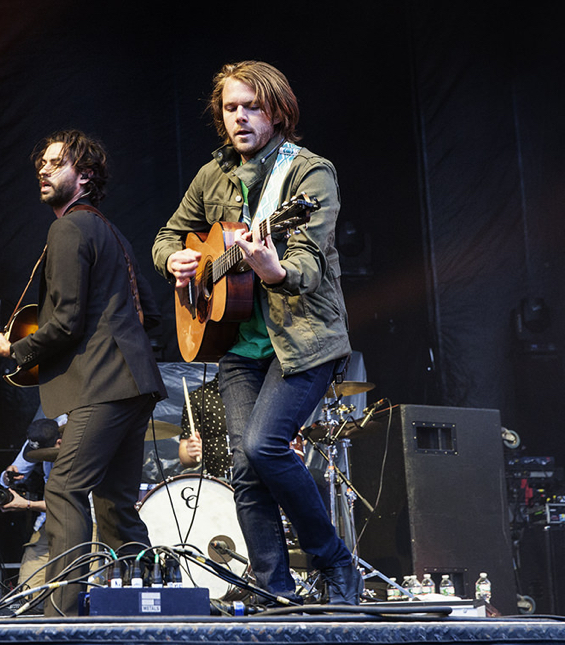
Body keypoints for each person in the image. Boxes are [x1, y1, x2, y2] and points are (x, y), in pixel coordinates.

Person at [152, 61, 361, 605]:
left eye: (252, 107)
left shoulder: (309, 174)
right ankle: (273, 589)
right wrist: (175, 259)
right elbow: (168, 235)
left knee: (265, 447)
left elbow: (310, 264)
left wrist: (275, 271)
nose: (240, 117)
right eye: (230, 108)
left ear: (277, 111)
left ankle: (336, 560)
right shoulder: (211, 174)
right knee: (244, 466)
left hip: (303, 342)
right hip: (237, 345)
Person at [0, 130, 167, 616]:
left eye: (56, 163)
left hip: (103, 386)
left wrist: (15, 348)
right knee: (114, 503)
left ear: (84, 175)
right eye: (40, 163)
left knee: (65, 488)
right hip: (136, 384)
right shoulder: (113, 233)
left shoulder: (67, 229)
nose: (43, 170)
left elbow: (63, 321)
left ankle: (63, 614)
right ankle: (145, 606)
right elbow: (154, 313)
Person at [0, 417, 63, 599]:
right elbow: (13, 472)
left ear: (59, 443)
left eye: (44, 455)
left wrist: (26, 505)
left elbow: (67, 504)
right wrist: (8, 477)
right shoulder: (42, 434)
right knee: (26, 593)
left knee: (81, 592)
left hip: (86, 521)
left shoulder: (80, 445)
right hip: (49, 523)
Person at [178, 377, 232, 479]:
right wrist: (191, 453)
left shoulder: (263, 392)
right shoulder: (199, 397)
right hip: (220, 484)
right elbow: (184, 457)